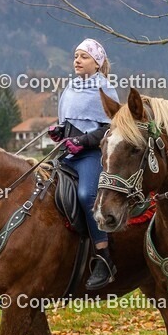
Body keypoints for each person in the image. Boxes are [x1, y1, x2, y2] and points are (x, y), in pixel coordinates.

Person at [47, 38, 120, 291]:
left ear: (97, 63)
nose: (77, 60)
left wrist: (84, 141)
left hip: (90, 155)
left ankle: (103, 257)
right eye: (76, 55)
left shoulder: (105, 89)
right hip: (66, 154)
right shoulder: (70, 87)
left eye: (83, 56)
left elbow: (110, 128)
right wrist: (60, 131)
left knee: (87, 194)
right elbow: (69, 121)